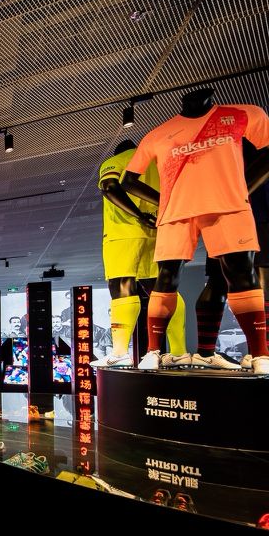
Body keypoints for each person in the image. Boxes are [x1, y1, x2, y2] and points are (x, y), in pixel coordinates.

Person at [121, 88, 269, 376]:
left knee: (241, 273)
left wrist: (241, 188)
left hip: (228, 206)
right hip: (176, 212)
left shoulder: (242, 114)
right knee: (167, 276)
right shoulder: (158, 134)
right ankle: (153, 351)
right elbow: (128, 180)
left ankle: (260, 354)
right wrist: (163, 201)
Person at [91, 140, 187, 368]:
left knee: (121, 286)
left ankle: (120, 352)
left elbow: (110, 187)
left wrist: (138, 215)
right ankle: (179, 351)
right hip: (157, 232)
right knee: (162, 290)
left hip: (123, 233)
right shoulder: (158, 164)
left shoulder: (117, 160)